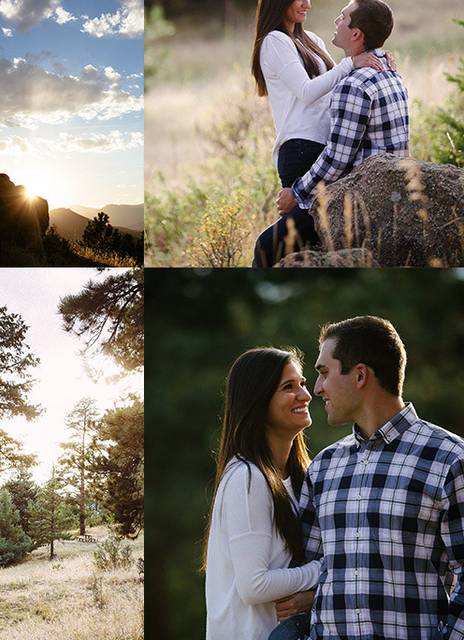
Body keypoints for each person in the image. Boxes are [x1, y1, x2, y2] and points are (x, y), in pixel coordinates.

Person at [299, 316, 463, 639]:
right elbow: (308, 571)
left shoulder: (449, 459)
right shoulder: (322, 467)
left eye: (323, 373)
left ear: (360, 375)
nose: (316, 388)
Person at [256, 0, 409, 266]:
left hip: (325, 148)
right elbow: (307, 91)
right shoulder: (274, 41)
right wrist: (352, 62)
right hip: (301, 149)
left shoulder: (312, 39)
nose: (308, 4)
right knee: (292, 240)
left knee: (309, 241)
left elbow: (340, 85)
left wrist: (375, 59)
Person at [204, 347, 320, 640]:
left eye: (303, 384)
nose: (305, 395)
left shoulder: (299, 477)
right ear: (259, 401)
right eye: (288, 387)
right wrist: (323, 570)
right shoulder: (248, 478)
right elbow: (254, 585)